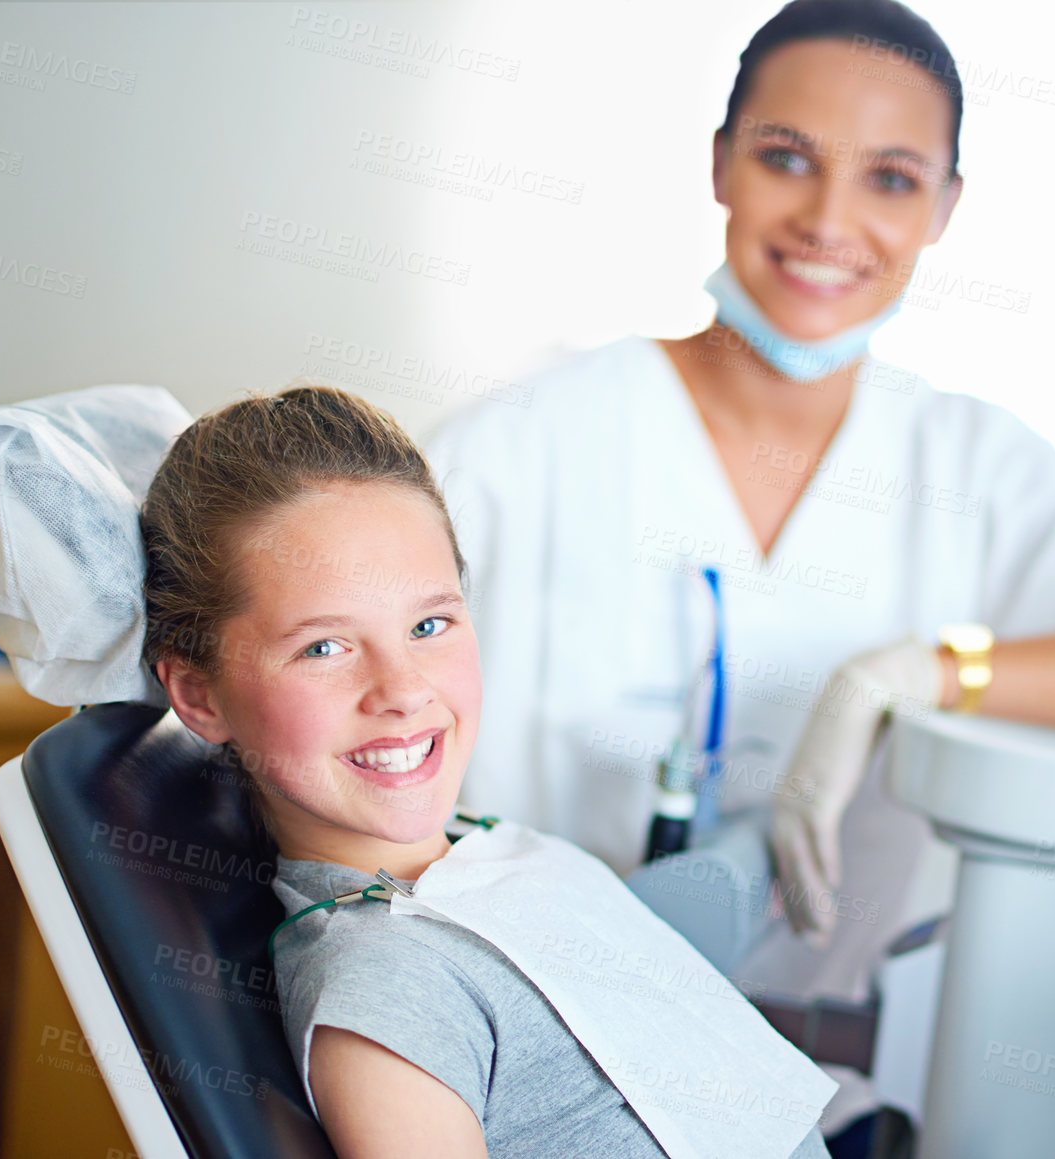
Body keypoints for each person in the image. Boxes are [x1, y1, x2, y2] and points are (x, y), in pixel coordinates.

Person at [423, 0, 1055, 1143]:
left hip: (829, 1106)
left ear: (943, 207)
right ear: (721, 162)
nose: (829, 221)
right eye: (787, 158)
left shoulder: (968, 468)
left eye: (889, 177)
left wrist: (918, 673)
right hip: (535, 1080)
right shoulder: (526, 443)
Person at [141, 386, 835, 1158]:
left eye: (428, 624)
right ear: (200, 696)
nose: (403, 691)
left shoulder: (484, 849)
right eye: (324, 647)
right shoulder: (387, 986)